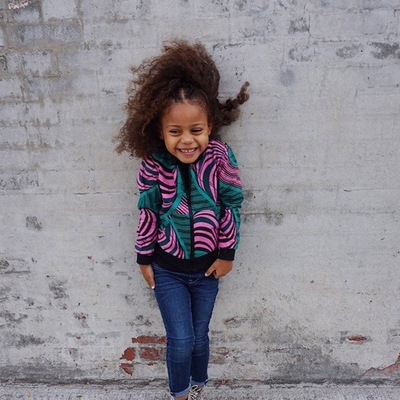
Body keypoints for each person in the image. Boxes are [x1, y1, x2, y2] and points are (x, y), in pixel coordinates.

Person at [116, 39, 249, 400]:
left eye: (196, 130)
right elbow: (148, 212)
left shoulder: (220, 157)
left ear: (210, 126)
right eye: (175, 131)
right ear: (160, 131)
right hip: (167, 271)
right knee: (181, 339)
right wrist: (143, 258)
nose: (187, 140)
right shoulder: (154, 164)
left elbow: (231, 205)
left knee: (200, 338)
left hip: (208, 271)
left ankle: (198, 384)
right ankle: (179, 394)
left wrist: (227, 253)